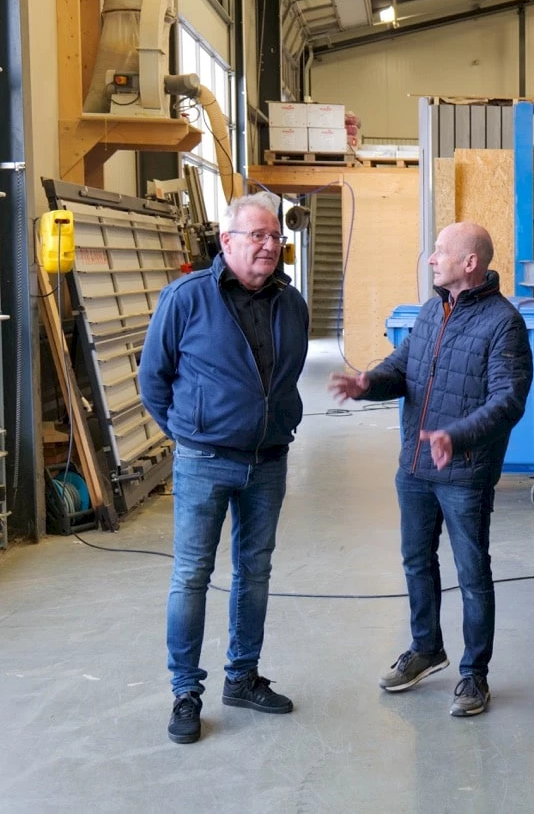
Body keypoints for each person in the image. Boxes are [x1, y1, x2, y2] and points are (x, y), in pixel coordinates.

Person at [328, 221, 532, 717]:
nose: (431, 258)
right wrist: (367, 384)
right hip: (416, 466)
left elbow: (508, 400)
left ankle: (474, 674)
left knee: (472, 573)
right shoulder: (430, 311)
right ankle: (426, 648)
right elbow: (401, 369)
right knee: (417, 561)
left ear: (470, 262)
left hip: (464, 472)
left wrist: (455, 436)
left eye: (440, 251)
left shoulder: (504, 323)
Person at [140, 192, 310, 744]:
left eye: (275, 236)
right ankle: (185, 691)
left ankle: (242, 677)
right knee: (192, 575)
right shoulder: (187, 297)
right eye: (257, 235)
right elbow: (153, 378)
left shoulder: (292, 303)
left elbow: (288, 375)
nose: (269, 245)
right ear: (227, 241)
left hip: (268, 460)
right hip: (204, 461)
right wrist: (190, 431)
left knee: (254, 572)